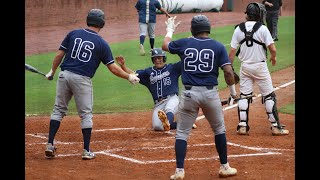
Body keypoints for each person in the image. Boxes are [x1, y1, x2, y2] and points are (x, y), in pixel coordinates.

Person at [43, 9, 140, 160]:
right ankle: (86, 150)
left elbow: (59, 55)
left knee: (58, 110)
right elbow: (113, 67)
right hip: (82, 80)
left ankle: (49, 144)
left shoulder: (73, 33)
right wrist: (129, 76)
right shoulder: (101, 43)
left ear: (88, 20)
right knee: (86, 114)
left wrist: (51, 71)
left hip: (64, 75)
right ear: (102, 23)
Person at [162, 15, 238, 179]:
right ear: (208, 28)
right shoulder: (217, 46)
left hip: (189, 94)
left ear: (193, 29)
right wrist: (233, 93)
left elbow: (165, 45)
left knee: (182, 133)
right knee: (219, 130)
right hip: (210, 94)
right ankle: (224, 167)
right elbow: (228, 71)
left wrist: (170, 30)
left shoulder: (185, 43)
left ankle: (179, 171)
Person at [228, 2, 289, 136]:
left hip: (245, 67)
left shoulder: (238, 29)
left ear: (247, 14)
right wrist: (273, 58)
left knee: (244, 95)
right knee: (269, 95)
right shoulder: (262, 29)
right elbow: (272, 48)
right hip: (260, 67)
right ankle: (275, 127)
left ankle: (242, 126)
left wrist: (229, 67)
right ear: (259, 14)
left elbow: (232, 52)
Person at [115, 48, 197, 131]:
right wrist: (123, 66)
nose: (158, 60)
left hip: (172, 99)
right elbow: (133, 74)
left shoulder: (173, 68)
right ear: (153, 60)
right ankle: (183, 123)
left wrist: (189, 47)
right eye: (155, 58)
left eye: (160, 58)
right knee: (157, 127)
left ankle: (167, 121)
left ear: (164, 58)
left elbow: (186, 61)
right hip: (158, 104)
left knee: (169, 108)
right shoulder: (148, 72)